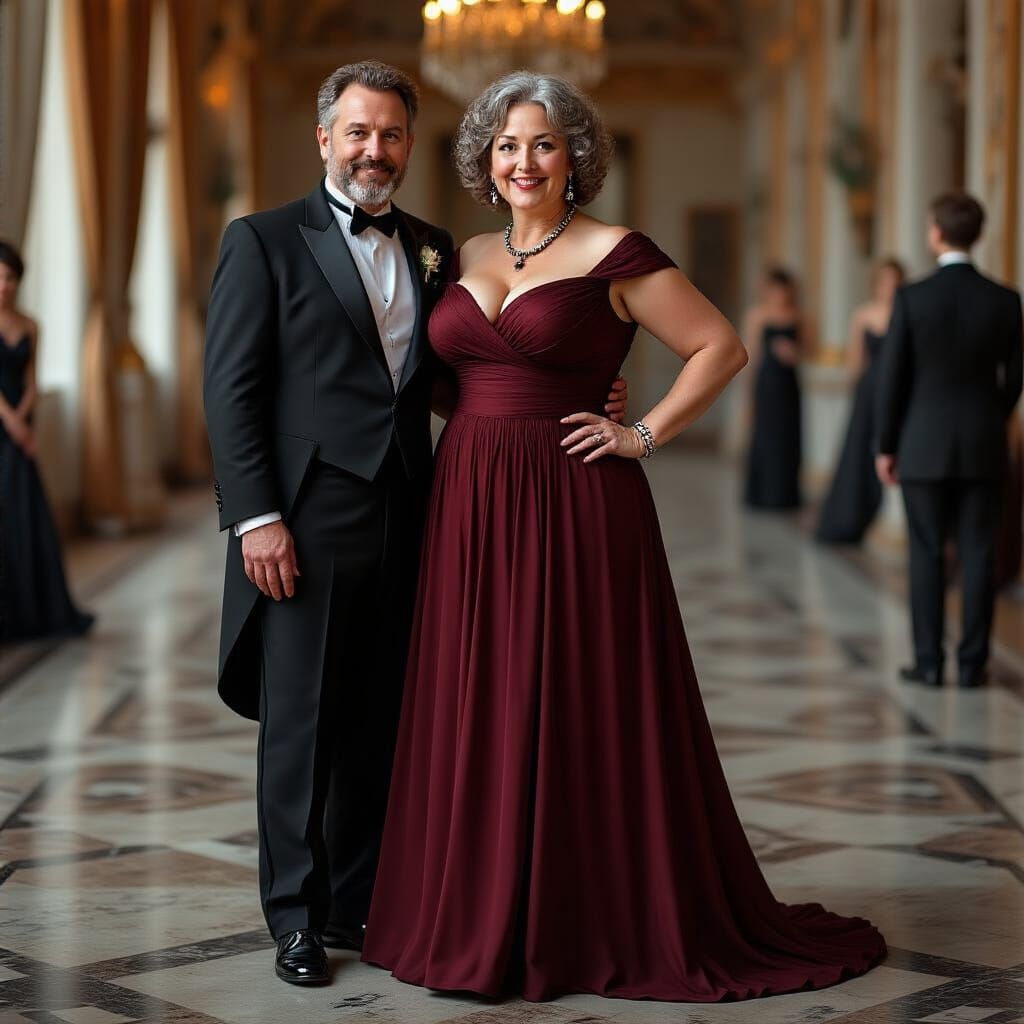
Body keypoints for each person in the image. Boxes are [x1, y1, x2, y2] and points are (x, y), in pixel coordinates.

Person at [362, 71, 886, 1003]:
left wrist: (640, 432)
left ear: (577, 158)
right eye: (508, 145)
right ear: (487, 156)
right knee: (477, 690)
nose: (524, 161)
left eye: (545, 144)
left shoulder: (616, 252)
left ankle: (582, 912)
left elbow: (721, 346)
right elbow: (444, 380)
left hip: (577, 501)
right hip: (470, 498)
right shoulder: (462, 250)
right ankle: (476, 906)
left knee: (574, 696)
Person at [202, 61, 627, 987]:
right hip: (302, 526)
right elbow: (231, 394)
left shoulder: (438, 245)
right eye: (357, 132)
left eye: (391, 134)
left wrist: (579, 387)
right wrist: (257, 520)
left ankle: (360, 896)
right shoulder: (264, 241)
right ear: (325, 139)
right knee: (302, 726)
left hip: (419, 514)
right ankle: (297, 919)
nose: (374, 150)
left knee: (382, 721)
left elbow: (463, 371)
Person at [876, 193, 1023, 689]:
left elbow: (892, 378)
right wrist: (991, 416)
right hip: (984, 445)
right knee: (979, 553)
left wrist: (886, 445)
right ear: (978, 235)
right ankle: (973, 664)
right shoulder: (1005, 300)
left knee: (926, 552)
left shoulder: (913, 297)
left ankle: (928, 662)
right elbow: (1016, 377)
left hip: (922, 444)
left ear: (936, 233)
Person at [0, 241, 94, 644]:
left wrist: (24, 420)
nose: (3, 284)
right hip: (4, 425)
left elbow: (33, 381)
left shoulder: (30, 324)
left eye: (10, 277)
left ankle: (33, 613)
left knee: (25, 514)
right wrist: (11, 422)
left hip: (21, 425)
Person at [816, 258, 906, 543]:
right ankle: (851, 516)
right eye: (885, 281)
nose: (889, 286)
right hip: (869, 390)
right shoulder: (863, 315)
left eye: (895, 281)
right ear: (876, 284)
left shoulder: (906, 311)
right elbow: (856, 362)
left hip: (897, 389)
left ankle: (886, 513)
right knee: (859, 451)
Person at [743, 267, 815, 510]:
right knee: (765, 437)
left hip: (789, 385)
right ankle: (762, 495)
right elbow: (751, 357)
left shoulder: (800, 317)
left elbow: (811, 351)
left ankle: (786, 495)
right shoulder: (757, 316)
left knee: (788, 438)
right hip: (766, 384)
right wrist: (749, 398)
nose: (779, 294)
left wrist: (796, 354)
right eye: (774, 289)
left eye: (783, 289)